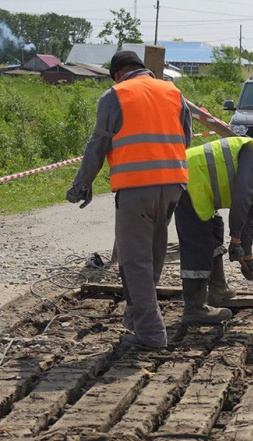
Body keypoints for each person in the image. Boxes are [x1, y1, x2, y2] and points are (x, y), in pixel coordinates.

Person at [65, 50, 191, 348]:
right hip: (173, 186)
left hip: (136, 189)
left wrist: (82, 183)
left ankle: (150, 334)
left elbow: (98, 143)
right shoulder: (173, 91)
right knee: (152, 253)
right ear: (141, 69)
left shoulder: (115, 95)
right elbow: (185, 137)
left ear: (118, 73)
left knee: (135, 262)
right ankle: (136, 317)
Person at [175, 136, 253, 324]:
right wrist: (235, 240)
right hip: (187, 179)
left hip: (198, 189)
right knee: (199, 243)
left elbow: (248, 215)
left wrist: (247, 256)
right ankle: (194, 308)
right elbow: (241, 198)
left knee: (214, 232)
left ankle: (218, 290)